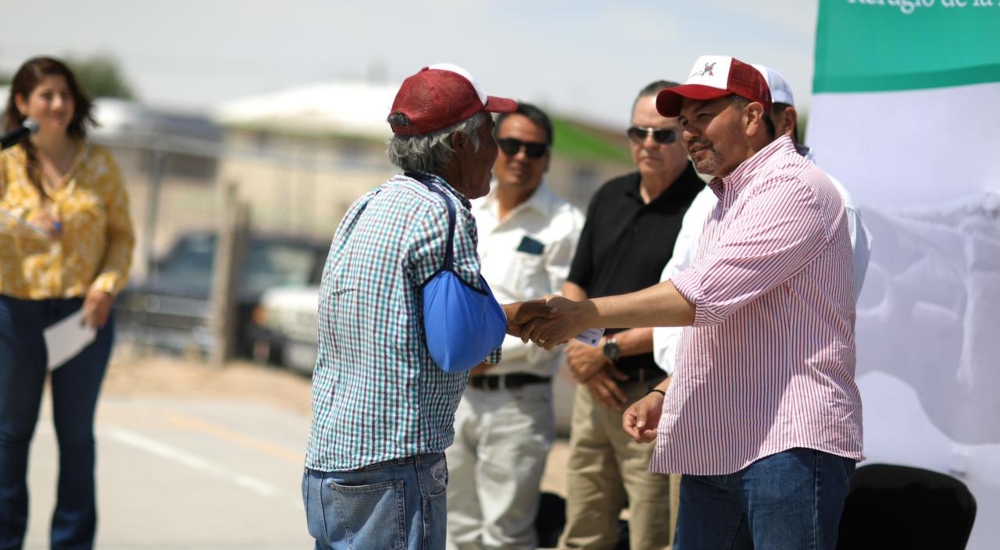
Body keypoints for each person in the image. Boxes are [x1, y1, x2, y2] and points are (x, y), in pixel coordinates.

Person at [523, 55, 864, 550]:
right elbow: (721, 323)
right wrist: (668, 392)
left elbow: (700, 295)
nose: (689, 133)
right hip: (717, 437)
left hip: (787, 443)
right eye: (683, 123)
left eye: (703, 117)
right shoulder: (725, 201)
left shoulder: (796, 189)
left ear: (752, 117)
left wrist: (586, 315)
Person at [302, 64, 554, 550]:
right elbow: (454, 343)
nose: (497, 153)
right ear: (461, 144)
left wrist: (503, 318)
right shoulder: (446, 210)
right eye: (491, 135)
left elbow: (402, 323)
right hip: (395, 462)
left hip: (330, 457)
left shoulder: (369, 204)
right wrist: (503, 324)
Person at [557, 81, 705, 550]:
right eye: (637, 132)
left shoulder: (704, 209)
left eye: (662, 135)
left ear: (684, 136)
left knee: (653, 533)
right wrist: (584, 355)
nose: (648, 144)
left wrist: (606, 350)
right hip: (592, 389)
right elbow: (576, 282)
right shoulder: (608, 195)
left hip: (652, 392)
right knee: (582, 526)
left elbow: (691, 308)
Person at [0, 56, 136, 550]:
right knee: (11, 435)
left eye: (65, 94)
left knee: (76, 438)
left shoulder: (99, 163)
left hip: (84, 313)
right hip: (15, 311)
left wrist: (105, 285)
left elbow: (121, 237)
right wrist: (17, 223)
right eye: (46, 96)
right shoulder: (5, 160)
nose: (58, 104)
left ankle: (72, 542)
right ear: (22, 103)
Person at [445, 102, 585, 550]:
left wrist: (483, 356)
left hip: (517, 401)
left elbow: (560, 320)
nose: (522, 156)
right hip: (457, 395)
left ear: (547, 157)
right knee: (459, 528)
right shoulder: (466, 211)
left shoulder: (565, 225)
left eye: (535, 149)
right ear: (493, 148)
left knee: (506, 534)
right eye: (510, 145)